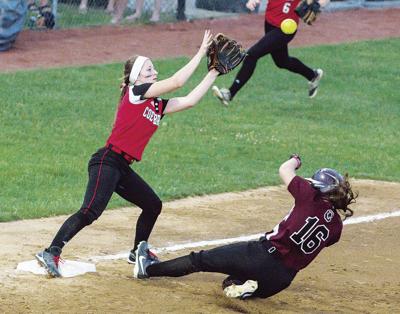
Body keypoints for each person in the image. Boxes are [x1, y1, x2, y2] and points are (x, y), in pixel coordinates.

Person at [35, 30, 220, 278]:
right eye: (148, 70)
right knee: (90, 211)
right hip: (106, 161)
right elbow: (177, 82)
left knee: (153, 205)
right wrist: (201, 51)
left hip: (121, 167)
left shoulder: (156, 103)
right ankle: (51, 251)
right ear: (136, 78)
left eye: (153, 70)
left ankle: (138, 251)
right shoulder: (136, 92)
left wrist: (213, 72)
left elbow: (189, 100)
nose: (154, 73)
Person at [134, 155, 357, 300]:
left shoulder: (309, 196)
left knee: (199, 260)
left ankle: (148, 268)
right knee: (230, 282)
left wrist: (295, 160)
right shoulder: (336, 228)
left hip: (261, 255)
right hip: (281, 280)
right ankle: (249, 288)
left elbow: (285, 170)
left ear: (318, 188)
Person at [212, 0, 330, 105]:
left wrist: (318, 3)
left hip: (285, 29)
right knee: (282, 61)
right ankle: (312, 75)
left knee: (252, 55)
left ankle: (229, 93)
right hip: (270, 22)